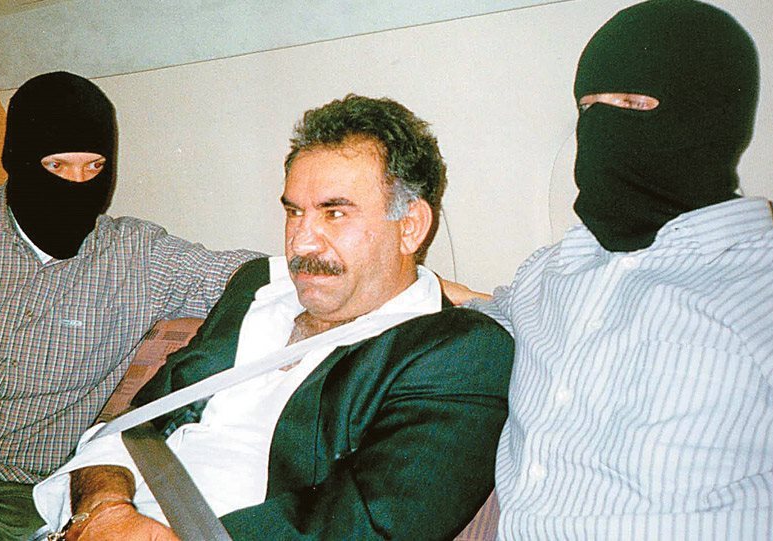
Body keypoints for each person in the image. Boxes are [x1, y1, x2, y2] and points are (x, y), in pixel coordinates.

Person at [32, 94, 515, 540]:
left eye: (334, 213)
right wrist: (103, 509)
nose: (300, 241)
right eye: (294, 212)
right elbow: (137, 424)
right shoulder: (257, 288)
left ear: (409, 226)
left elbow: (370, 524)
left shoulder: (459, 350)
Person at [0, 71, 259, 539]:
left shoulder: (138, 257)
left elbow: (251, 276)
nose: (77, 183)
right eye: (57, 166)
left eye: (94, 167)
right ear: (17, 158)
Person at [477, 1, 773, 539]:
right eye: (588, 107)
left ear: (710, 117)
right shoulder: (552, 271)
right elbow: (468, 311)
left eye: (631, 103)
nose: (601, 128)